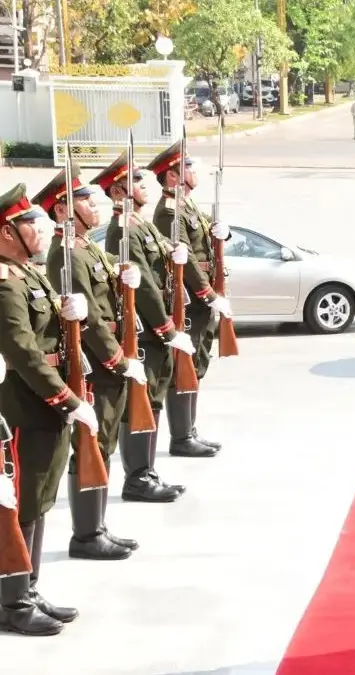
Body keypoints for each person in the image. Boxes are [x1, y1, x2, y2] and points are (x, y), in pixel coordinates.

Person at [33, 165, 146, 559]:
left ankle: (97, 526)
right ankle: (85, 536)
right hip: (95, 366)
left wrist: (123, 274)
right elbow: (90, 320)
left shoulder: (88, 246)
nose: (93, 205)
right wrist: (117, 359)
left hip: (107, 362)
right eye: (83, 200)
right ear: (62, 210)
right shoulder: (67, 255)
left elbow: (108, 298)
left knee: (105, 443)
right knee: (91, 446)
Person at [0, 183, 97, 636]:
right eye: (29, 225)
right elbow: (25, 353)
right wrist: (69, 400)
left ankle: (29, 588)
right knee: (19, 507)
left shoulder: (29, 273)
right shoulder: (4, 283)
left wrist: (72, 314)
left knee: (38, 502)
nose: (40, 230)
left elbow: (54, 336)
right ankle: (12, 602)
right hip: (25, 409)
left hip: (46, 409)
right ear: (7, 232)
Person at [98, 152, 194, 502]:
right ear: (118, 192)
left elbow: (165, 253)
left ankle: (147, 471)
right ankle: (137, 478)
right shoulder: (122, 230)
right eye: (136, 182)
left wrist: (176, 252)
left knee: (152, 401)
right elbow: (146, 287)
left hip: (157, 330)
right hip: (144, 332)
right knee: (141, 401)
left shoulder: (140, 224)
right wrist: (167, 327)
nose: (144, 186)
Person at [147, 141, 231, 458]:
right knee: (185, 366)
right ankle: (181, 437)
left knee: (197, 364)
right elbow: (187, 261)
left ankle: (190, 431)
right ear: (172, 176)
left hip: (201, 298)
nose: (194, 172)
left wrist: (222, 232)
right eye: (187, 168)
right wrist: (208, 294)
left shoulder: (187, 206)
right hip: (190, 300)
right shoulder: (170, 211)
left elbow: (205, 240)